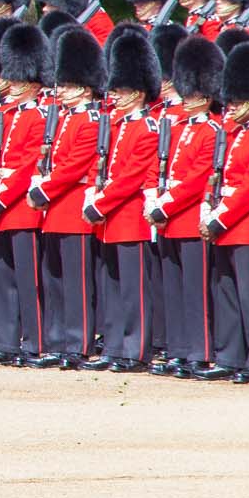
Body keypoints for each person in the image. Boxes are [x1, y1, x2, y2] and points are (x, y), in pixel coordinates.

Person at [24, 28, 108, 370]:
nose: (63, 91)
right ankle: (58, 341)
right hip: (54, 212)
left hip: (72, 210)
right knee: (54, 281)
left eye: (70, 86)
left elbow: (74, 166)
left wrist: (43, 188)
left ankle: (79, 343)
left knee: (77, 284)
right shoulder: (63, 117)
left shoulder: (89, 120)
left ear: (85, 88)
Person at [81, 29, 161, 373]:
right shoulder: (116, 124)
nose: (115, 96)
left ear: (139, 93)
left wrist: (100, 203)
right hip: (109, 220)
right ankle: (114, 346)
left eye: (122, 90)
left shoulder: (147, 128)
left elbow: (131, 177)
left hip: (129, 218)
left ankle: (135, 350)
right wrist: (92, 192)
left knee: (133, 291)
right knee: (110, 286)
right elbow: (103, 166)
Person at [0, 24, 52, 365]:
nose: (13, 86)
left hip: (20, 208)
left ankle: (34, 342)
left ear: (34, 84)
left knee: (27, 279)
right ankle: (5, 341)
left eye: (20, 81)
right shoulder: (4, 115)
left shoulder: (37, 117)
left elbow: (25, 168)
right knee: (2, 276)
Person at [149, 38, 223, 376]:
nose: (187, 98)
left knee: (195, 290)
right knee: (174, 288)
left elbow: (197, 178)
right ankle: (178, 349)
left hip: (188, 218)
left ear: (206, 97)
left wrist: (167, 203)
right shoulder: (177, 128)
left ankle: (200, 350)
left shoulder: (212, 131)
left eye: (193, 94)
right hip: (167, 220)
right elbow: (162, 168)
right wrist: (154, 196)